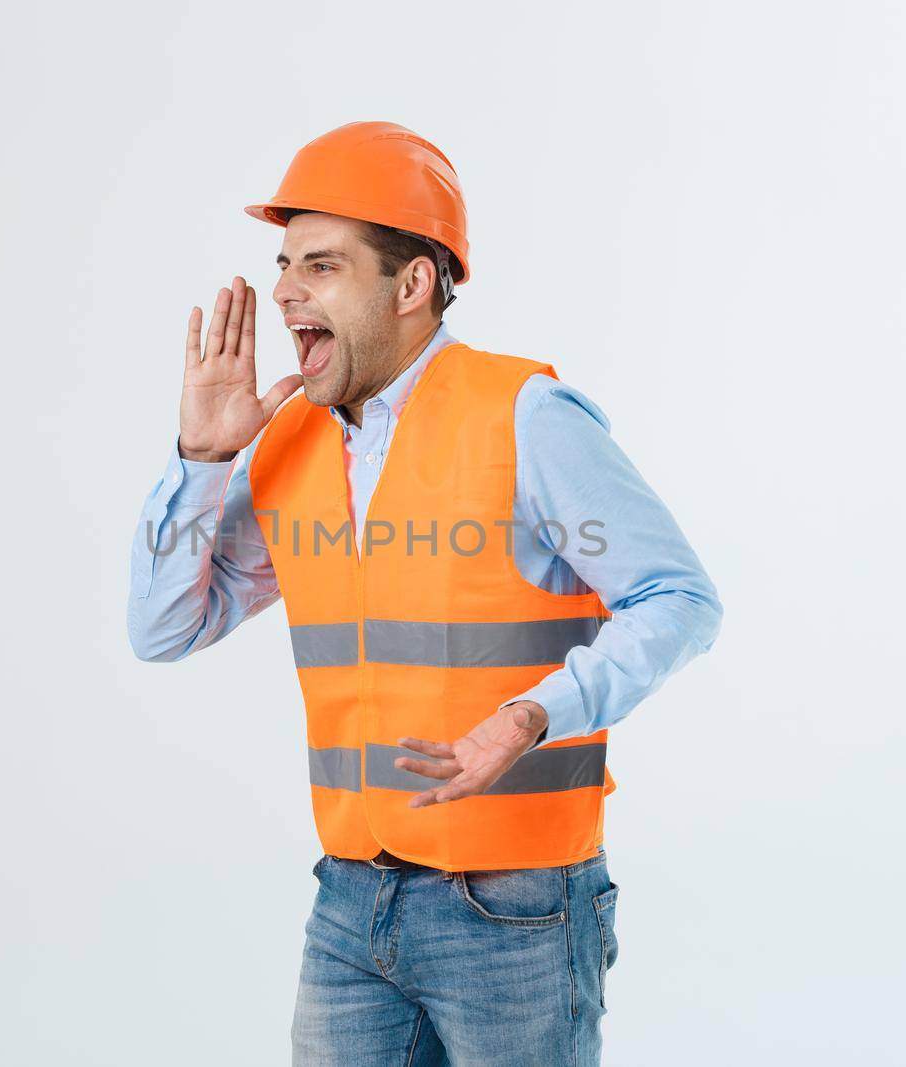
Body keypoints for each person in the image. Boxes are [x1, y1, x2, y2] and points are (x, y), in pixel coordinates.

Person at [127, 121, 722, 1065]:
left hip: (516, 904)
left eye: (320, 266)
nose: (284, 290)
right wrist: (203, 457)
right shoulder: (289, 441)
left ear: (410, 285)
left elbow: (678, 598)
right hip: (351, 899)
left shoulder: (525, 414)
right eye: (284, 263)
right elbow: (164, 627)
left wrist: (532, 715)